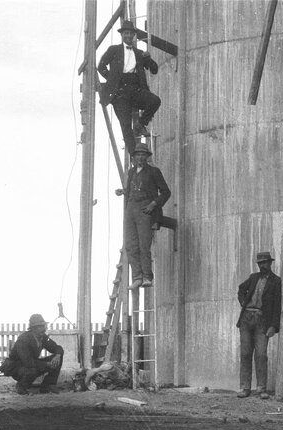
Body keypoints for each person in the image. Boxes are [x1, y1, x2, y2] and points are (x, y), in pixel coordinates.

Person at [96, 19, 161, 154]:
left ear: (134, 35)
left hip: (135, 89)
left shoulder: (139, 53)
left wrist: (148, 58)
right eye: (126, 33)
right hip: (120, 93)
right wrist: (113, 81)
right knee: (126, 127)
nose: (128, 36)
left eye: (131, 34)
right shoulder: (113, 50)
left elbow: (154, 69)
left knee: (155, 101)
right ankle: (134, 156)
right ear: (122, 35)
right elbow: (101, 66)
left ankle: (141, 124)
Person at [119, 141, 171, 288]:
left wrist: (153, 204)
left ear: (147, 157)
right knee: (130, 245)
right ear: (134, 157)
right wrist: (123, 191)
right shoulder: (131, 172)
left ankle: (147, 276)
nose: (140, 158)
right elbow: (131, 189)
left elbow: (166, 192)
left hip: (145, 209)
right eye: (138, 155)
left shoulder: (154, 172)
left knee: (143, 244)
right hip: (130, 209)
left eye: (143, 155)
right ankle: (137, 277)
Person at [236, 251, 282, 400]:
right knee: (245, 353)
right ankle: (245, 387)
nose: (263, 265)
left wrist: (273, 326)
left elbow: (277, 305)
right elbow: (241, 289)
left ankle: (261, 388)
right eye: (260, 263)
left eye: (265, 262)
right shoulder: (253, 277)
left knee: (261, 354)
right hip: (247, 318)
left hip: (263, 320)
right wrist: (243, 303)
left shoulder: (276, 281)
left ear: (270, 263)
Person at [0, 314, 64, 395]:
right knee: (31, 370)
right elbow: (28, 362)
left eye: (43, 326)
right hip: (16, 367)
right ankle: (22, 387)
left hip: (31, 364)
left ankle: (48, 385)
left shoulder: (42, 337)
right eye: (40, 326)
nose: (43, 328)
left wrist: (57, 356)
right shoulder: (23, 339)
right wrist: (47, 364)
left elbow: (57, 347)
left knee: (58, 357)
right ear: (33, 328)